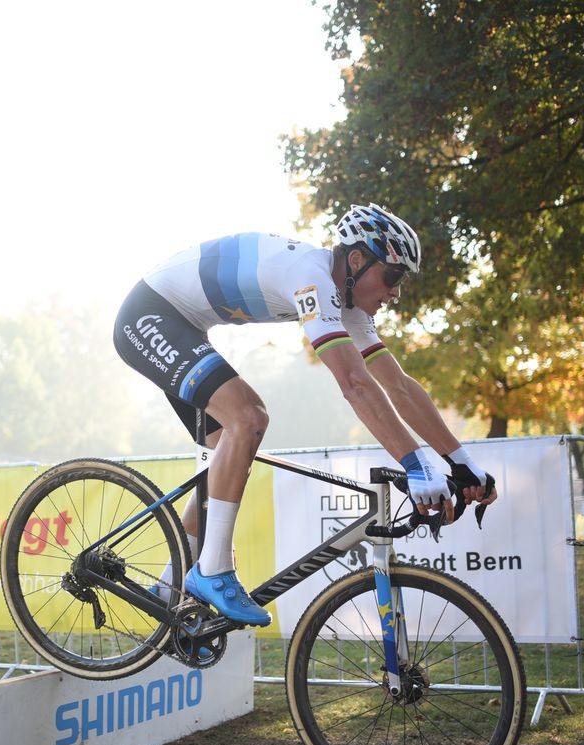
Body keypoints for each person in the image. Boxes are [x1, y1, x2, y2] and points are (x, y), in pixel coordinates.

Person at [112, 203, 497, 627]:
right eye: (393, 276)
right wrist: (416, 462)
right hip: (150, 315)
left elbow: (398, 386)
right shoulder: (310, 277)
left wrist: (462, 463)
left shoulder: (346, 302)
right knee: (249, 416)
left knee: (230, 452)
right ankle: (212, 569)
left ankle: (169, 590)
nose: (395, 293)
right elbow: (354, 383)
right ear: (356, 260)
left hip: (183, 325)